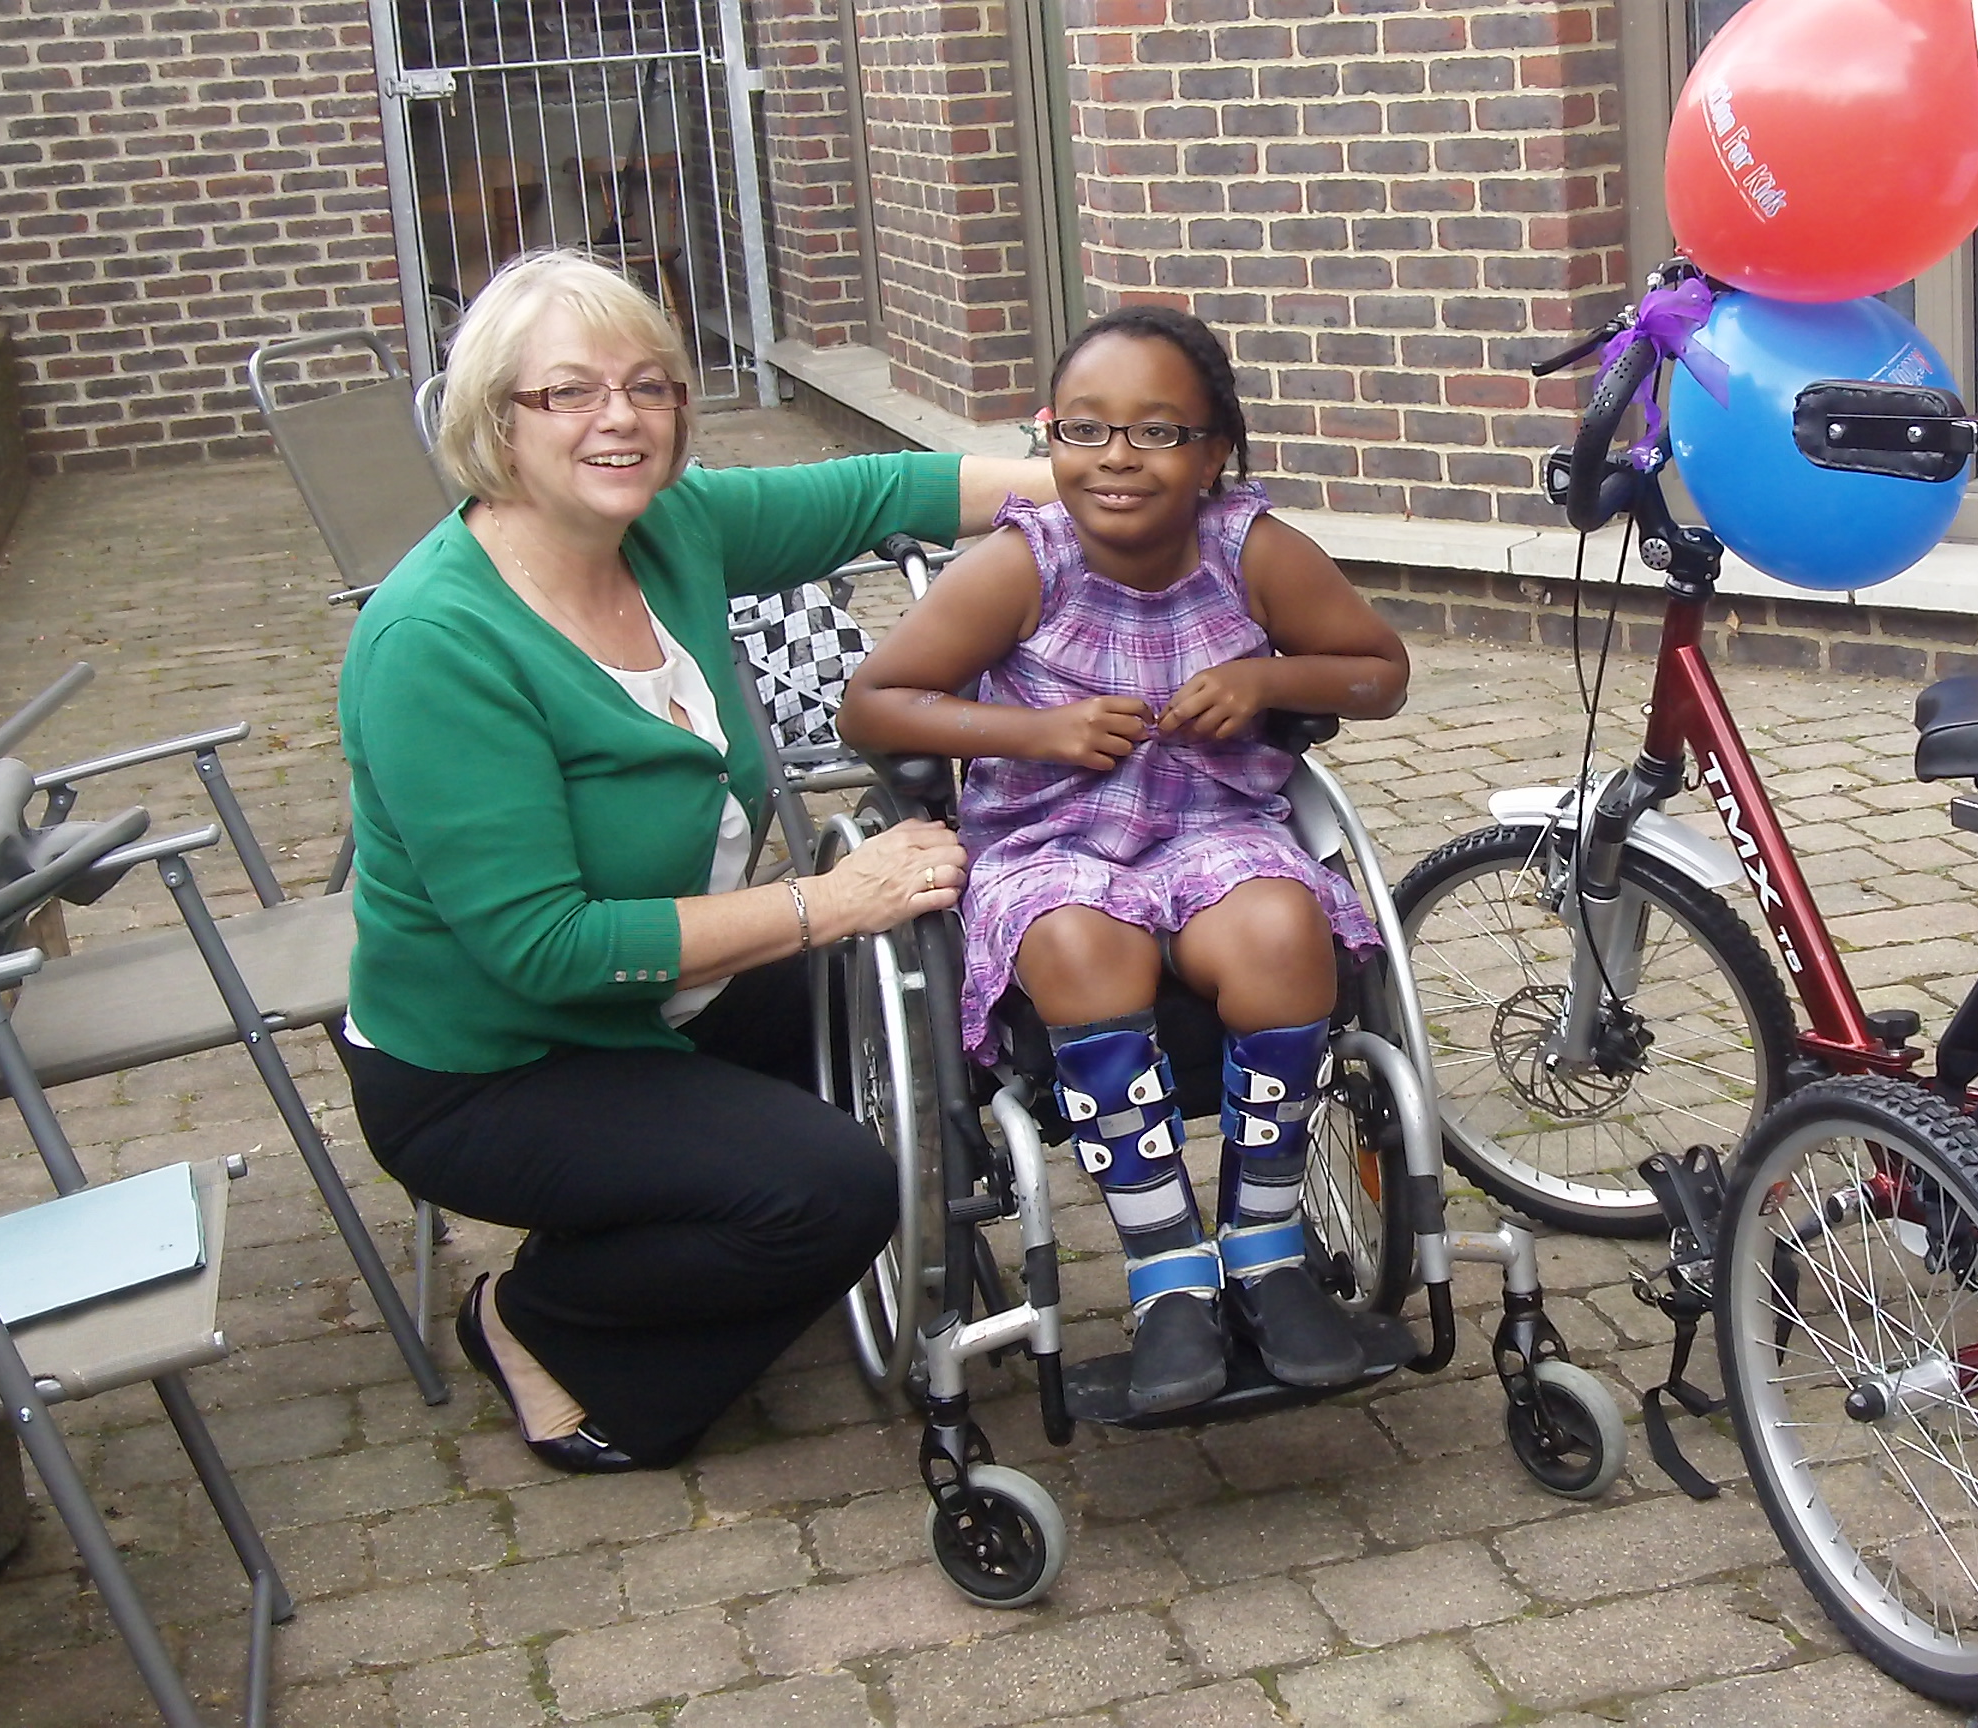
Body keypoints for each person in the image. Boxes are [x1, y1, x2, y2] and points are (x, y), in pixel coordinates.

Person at [333, 250, 1056, 1473]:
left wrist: (1097, 479)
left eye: (649, 385)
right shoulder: (435, 643)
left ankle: (728, 1213)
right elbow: (543, 949)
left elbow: (879, 488)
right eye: (566, 393)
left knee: (969, 980)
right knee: (829, 1191)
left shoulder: (665, 532)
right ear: (491, 421)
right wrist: (827, 903)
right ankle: (537, 1320)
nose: (619, 419)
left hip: (676, 993)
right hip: (499, 1062)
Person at [839, 305, 1411, 1415]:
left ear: (1212, 454)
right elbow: (875, 704)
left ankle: (1266, 1249)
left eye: (1156, 433)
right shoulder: (1022, 564)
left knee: (1288, 928)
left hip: (1213, 830)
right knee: (1077, 945)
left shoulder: (1254, 552)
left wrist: (1269, 682)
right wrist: (1030, 731)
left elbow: (1378, 672)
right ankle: (1165, 1275)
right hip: (1049, 841)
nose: (1115, 457)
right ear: (1050, 437)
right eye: (1084, 428)